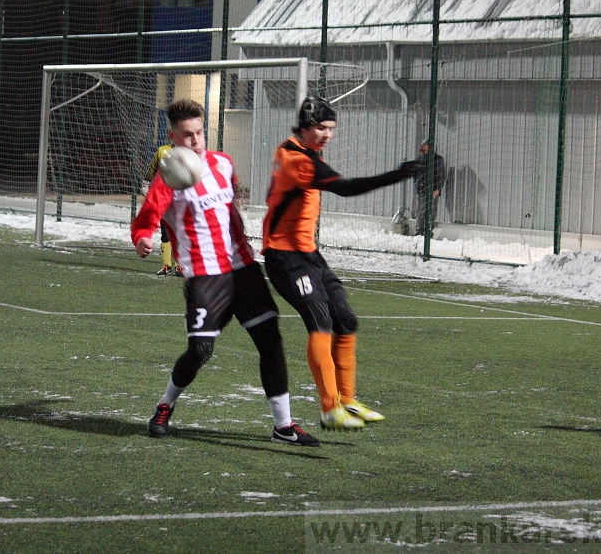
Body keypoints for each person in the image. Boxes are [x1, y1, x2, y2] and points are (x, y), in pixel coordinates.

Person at [131, 99, 319, 447]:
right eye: (187, 135)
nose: (196, 141)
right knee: (200, 351)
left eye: (200, 133)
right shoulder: (168, 178)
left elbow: (232, 206)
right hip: (206, 277)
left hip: (243, 269)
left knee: (271, 341)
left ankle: (283, 425)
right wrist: (142, 239)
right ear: (172, 136)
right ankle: (164, 405)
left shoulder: (222, 163)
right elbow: (146, 220)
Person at [262, 96, 422, 430]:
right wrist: (398, 174)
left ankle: (347, 402)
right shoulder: (297, 159)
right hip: (285, 257)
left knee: (346, 320)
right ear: (305, 127)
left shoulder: (295, 150)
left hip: (307, 253)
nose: (327, 135)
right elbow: (346, 189)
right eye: (321, 128)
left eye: (331, 129)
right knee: (320, 321)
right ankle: (329, 409)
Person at [143, 143, 181, 276]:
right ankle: (166, 265)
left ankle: (179, 266)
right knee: (166, 232)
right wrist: (146, 183)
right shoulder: (162, 150)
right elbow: (152, 168)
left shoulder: (189, 153)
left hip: (181, 198)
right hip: (164, 197)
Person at [413, 140, 447, 237]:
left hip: (433, 190)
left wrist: (438, 189)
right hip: (422, 189)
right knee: (420, 209)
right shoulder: (420, 159)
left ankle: (428, 230)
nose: (424, 147)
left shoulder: (438, 159)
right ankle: (419, 230)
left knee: (431, 210)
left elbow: (441, 175)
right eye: (423, 145)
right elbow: (416, 174)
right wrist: (417, 184)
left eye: (426, 145)